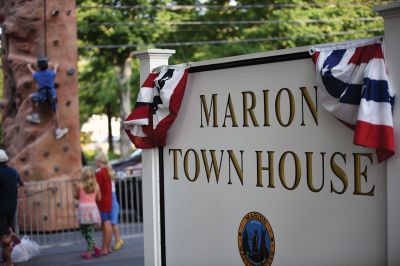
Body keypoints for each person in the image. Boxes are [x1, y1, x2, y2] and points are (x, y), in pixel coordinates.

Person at [26, 56, 68, 140]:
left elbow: (33, 73)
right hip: (52, 95)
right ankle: (58, 130)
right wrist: (55, 67)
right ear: (47, 65)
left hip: (42, 95)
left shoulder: (38, 75)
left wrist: (29, 67)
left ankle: (35, 116)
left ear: (38, 66)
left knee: (32, 98)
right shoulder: (50, 73)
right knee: (55, 112)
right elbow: (55, 72)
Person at [95, 152, 123, 255]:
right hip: (110, 199)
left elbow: (96, 187)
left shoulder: (99, 172)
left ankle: (106, 247)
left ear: (98, 162)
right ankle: (108, 245)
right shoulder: (108, 171)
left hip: (103, 200)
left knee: (107, 223)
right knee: (110, 223)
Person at [0, 149, 23, 266]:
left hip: (1, 209)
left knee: (4, 237)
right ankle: (5, 256)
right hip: (12, 207)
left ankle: (9, 263)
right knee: (7, 231)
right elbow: (21, 183)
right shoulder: (13, 171)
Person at [73, 166, 102, 260]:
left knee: (86, 231)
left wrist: (76, 190)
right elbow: (99, 198)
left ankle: (89, 252)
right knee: (87, 231)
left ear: (83, 175)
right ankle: (95, 248)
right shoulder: (96, 185)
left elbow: (76, 197)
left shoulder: (80, 185)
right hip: (92, 209)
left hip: (83, 210)